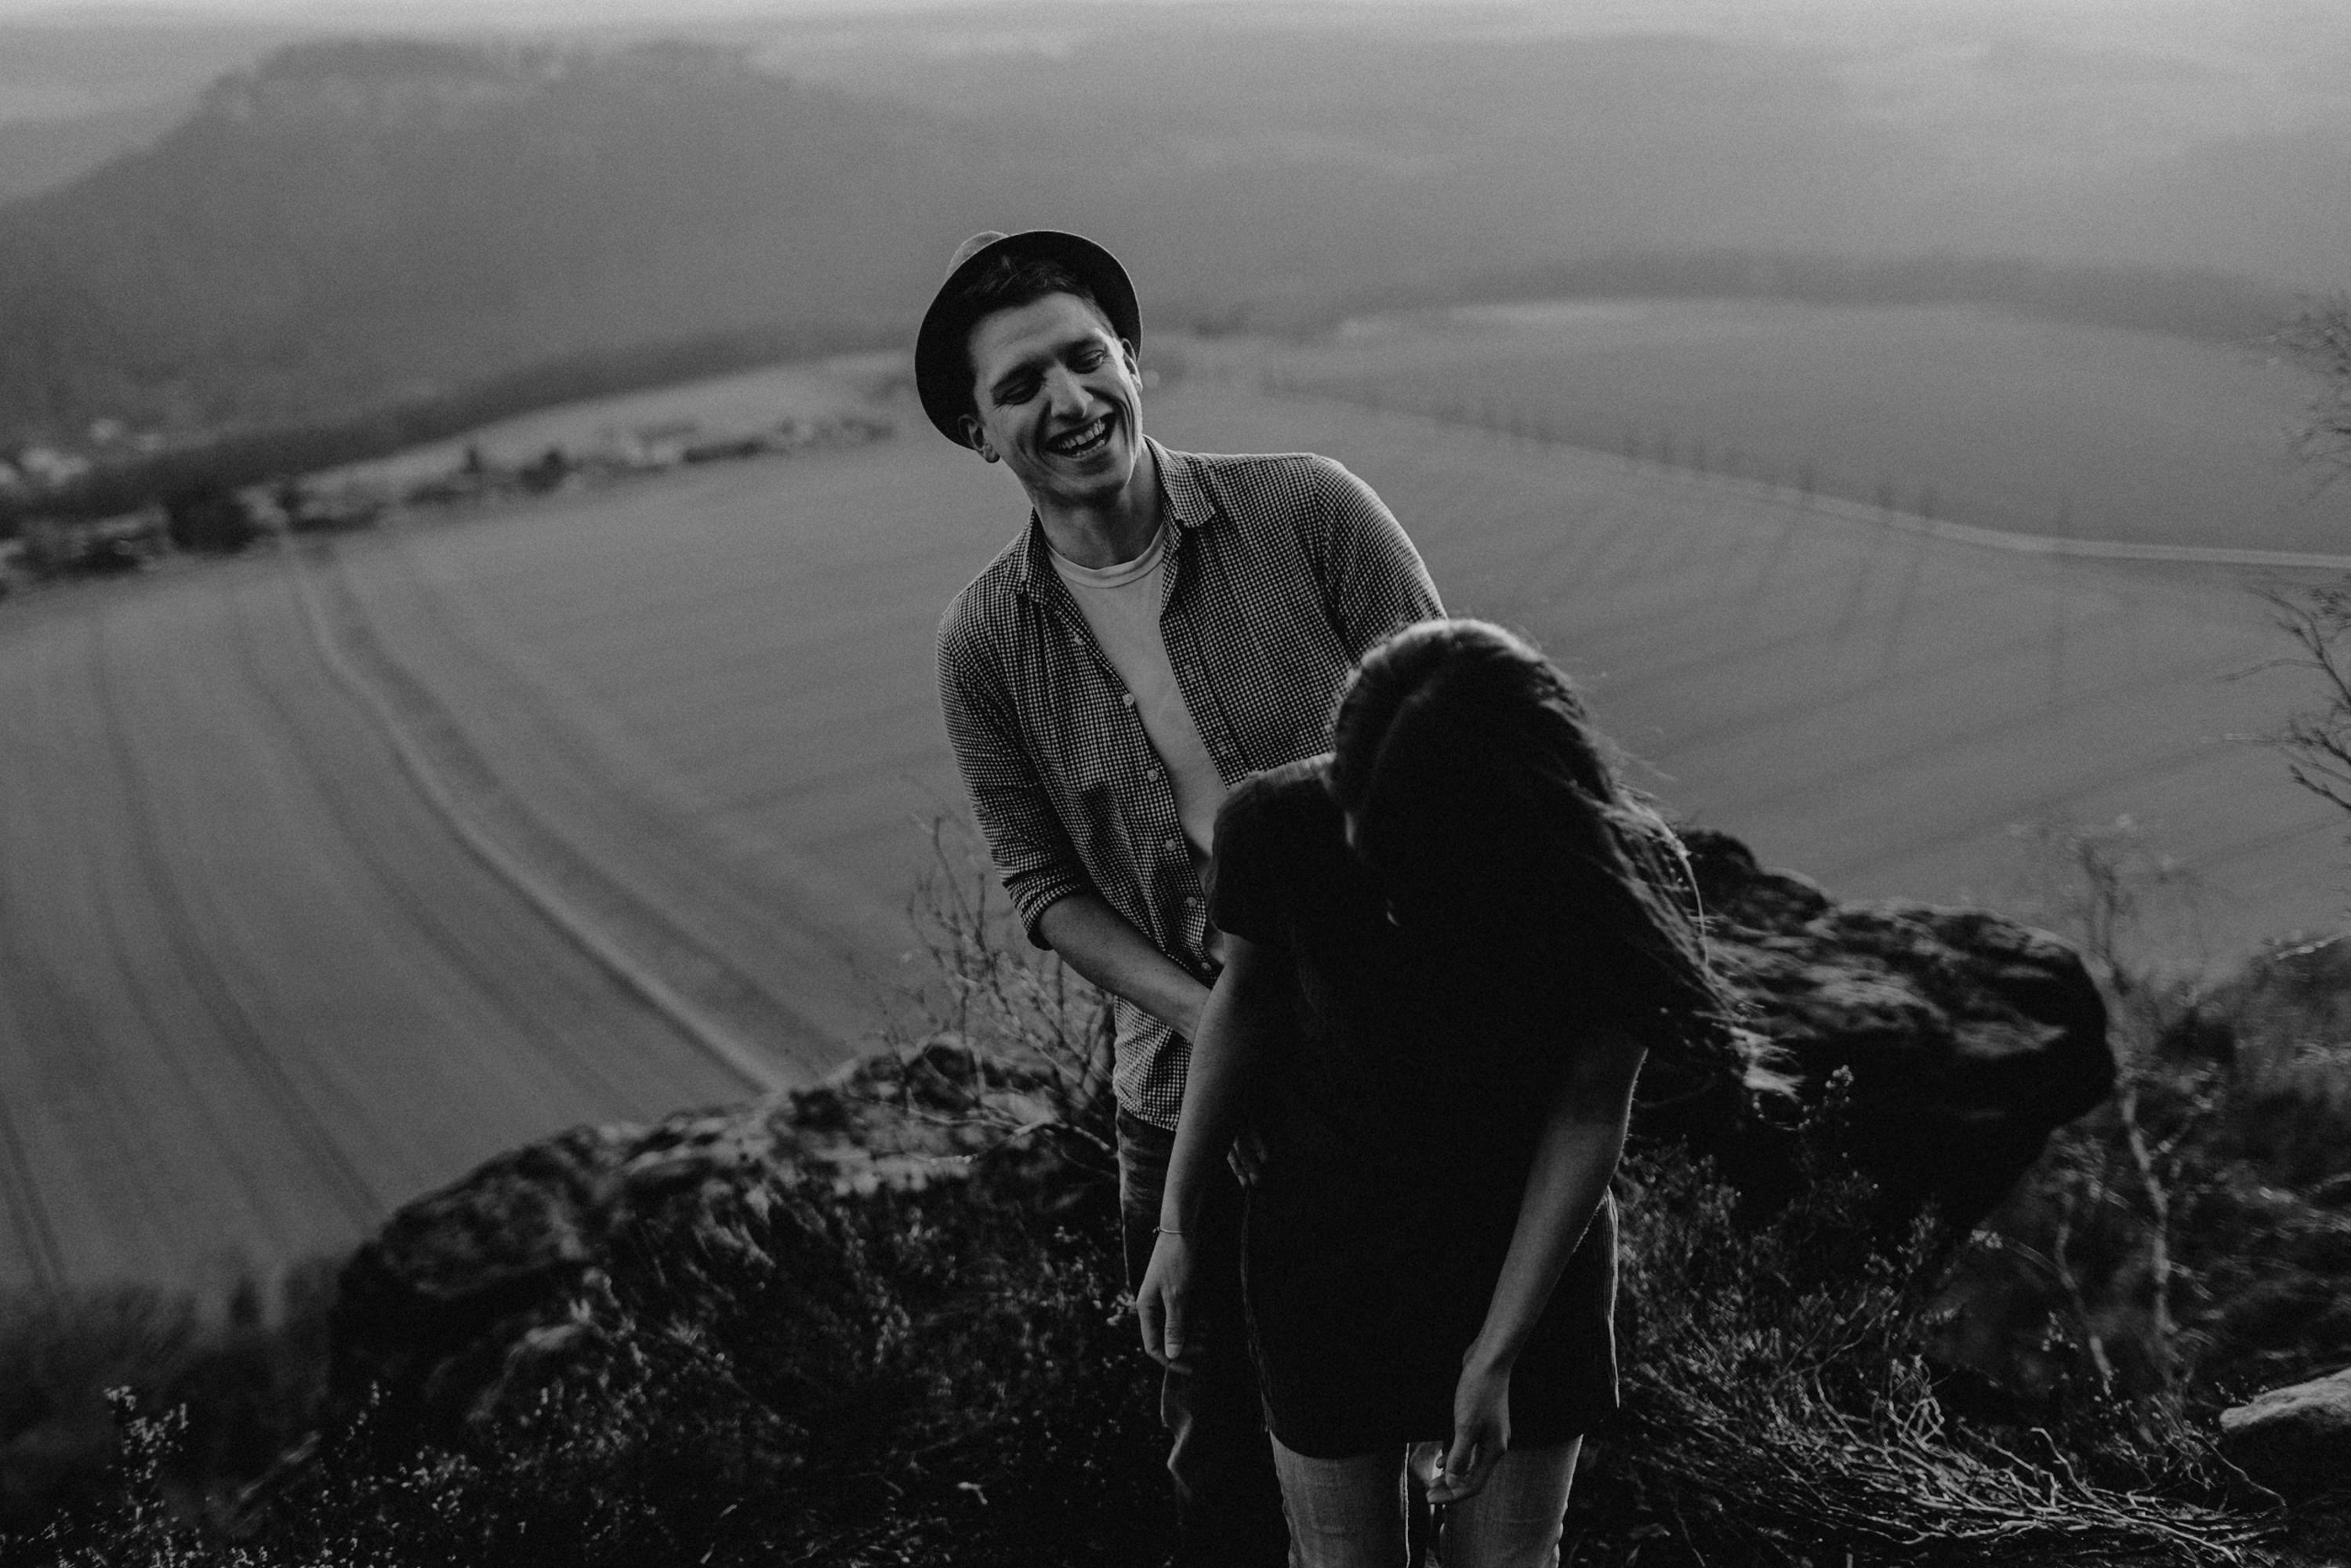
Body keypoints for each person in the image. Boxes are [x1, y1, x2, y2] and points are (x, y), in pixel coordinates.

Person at [922, 229, 1442, 1566]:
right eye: (1020, 385)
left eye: (1085, 357)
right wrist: (1218, 1028)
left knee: (1428, 1401)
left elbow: (1449, 752)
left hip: (1391, 1033)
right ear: (977, 433)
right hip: (1176, 1077)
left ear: (1134, 360)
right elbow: (1044, 890)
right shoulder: (986, 643)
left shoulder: (1308, 512)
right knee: (1213, 1447)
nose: (1067, 401)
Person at [1136, 619, 1738, 1568]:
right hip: (1324, 1259)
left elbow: (1587, 1107)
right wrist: (1178, 1216)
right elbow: (1244, 998)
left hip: (1524, 1257)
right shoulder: (1278, 824)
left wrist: (1494, 1354)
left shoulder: (1618, 875)